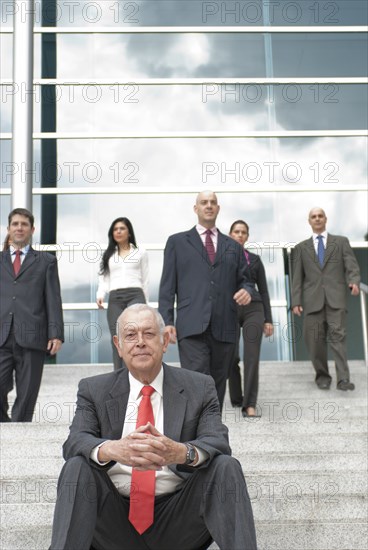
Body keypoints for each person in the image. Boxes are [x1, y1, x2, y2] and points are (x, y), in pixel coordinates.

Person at [49, 304, 257, 550]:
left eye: (148, 334)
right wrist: (112, 450)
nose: (140, 342)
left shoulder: (199, 387)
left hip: (178, 521)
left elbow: (218, 442)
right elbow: (74, 442)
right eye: (130, 335)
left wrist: (180, 453)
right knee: (76, 467)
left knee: (225, 466)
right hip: (113, 521)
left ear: (165, 340)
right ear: (118, 345)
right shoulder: (94, 390)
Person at [158, 190, 254, 410]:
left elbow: (246, 280)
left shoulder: (233, 247)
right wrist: (167, 321)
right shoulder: (177, 242)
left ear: (218, 209)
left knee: (218, 385)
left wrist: (247, 290)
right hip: (191, 326)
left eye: (213, 202)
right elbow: (167, 287)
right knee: (195, 381)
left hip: (225, 326)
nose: (208, 206)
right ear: (196, 208)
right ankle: (195, 435)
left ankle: (211, 433)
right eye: (204, 202)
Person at [0, 208, 64, 422]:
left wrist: (56, 333)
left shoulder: (46, 261)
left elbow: (53, 299)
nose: (19, 228)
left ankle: (20, 431)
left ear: (32, 229)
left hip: (33, 334)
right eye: (15, 224)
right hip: (2, 335)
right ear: (8, 228)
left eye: (24, 224)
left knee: (28, 392)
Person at [291, 207, 360, 391]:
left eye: (320, 216)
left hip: (335, 299)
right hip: (312, 302)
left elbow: (351, 265)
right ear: (309, 221)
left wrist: (353, 281)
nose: (317, 219)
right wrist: (296, 301)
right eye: (313, 216)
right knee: (315, 342)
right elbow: (296, 278)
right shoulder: (300, 248)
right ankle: (322, 375)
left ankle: (343, 379)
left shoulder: (341, 242)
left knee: (338, 338)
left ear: (326, 219)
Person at [227, 220, 273, 418]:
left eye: (243, 232)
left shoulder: (254, 260)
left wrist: (268, 319)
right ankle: (237, 398)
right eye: (236, 231)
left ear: (247, 236)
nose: (239, 235)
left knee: (251, 356)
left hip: (254, 308)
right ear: (230, 235)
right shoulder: (222, 258)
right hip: (229, 309)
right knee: (230, 356)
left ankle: (250, 405)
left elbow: (263, 290)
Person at [97, 217, 149, 369]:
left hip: (135, 295)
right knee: (118, 338)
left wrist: (145, 303)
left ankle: (137, 372)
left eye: (122, 228)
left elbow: (145, 279)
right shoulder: (109, 255)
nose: (118, 231)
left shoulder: (140, 252)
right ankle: (119, 375)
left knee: (133, 335)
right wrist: (100, 294)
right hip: (115, 298)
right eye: (115, 229)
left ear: (129, 233)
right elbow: (104, 278)